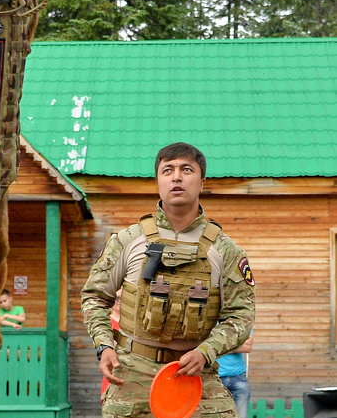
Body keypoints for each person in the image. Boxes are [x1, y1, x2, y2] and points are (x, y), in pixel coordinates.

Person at [81, 142, 255, 418]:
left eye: (187, 169)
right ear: (158, 181)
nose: (177, 177)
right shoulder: (127, 241)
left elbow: (241, 317)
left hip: (197, 375)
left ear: (201, 182)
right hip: (131, 376)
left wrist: (206, 352)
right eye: (168, 170)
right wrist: (104, 346)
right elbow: (94, 297)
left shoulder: (226, 251)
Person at [218, 333, 254, 418]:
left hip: (239, 377)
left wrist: (219, 346)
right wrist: (234, 344)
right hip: (215, 379)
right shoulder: (210, 322)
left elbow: (247, 347)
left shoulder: (241, 322)